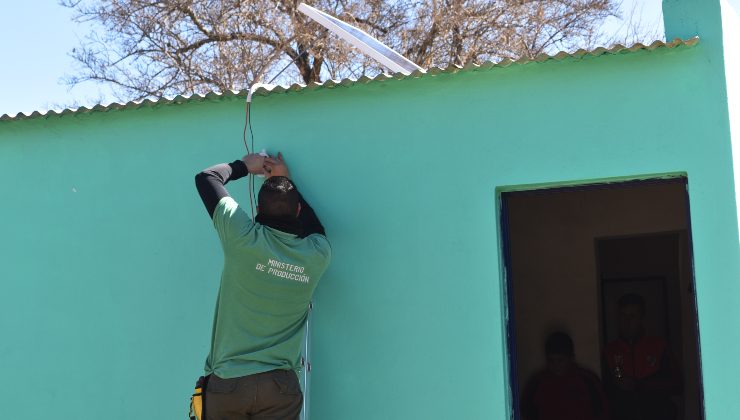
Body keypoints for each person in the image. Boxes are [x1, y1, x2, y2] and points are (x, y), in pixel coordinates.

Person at [194, 152, 331, 420]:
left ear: (257, 210)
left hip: (228, 385)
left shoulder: (242, 237)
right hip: (280, 389)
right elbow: (315, 227)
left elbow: (207, 178)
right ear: (298, 211)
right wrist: (284, 179)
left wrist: (245, 166)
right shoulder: (317, 255)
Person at [603, 293, 682, 420]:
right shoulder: (609, 352)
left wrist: (640, 385)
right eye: (623, 315)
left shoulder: (659, 347)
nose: (627, 321)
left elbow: (677, 384)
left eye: (632, 316)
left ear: (642, 318)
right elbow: (603, 394)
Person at [521, 331, 609, 420]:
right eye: (551, 360)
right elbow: (526, 412)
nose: (556, 366)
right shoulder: (537, 383)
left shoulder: (587, 380)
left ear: (571, 358)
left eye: (560, 360)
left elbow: (603, 411)